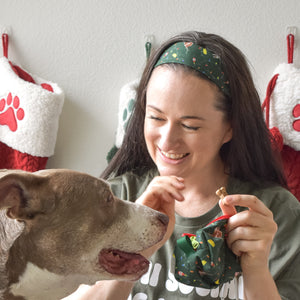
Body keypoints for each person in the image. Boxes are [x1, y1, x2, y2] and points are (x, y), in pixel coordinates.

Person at [72, 31, 300, 300]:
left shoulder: (276, 216)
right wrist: (137, 245)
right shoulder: (111, 200)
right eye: (156, 117)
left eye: (190, 125)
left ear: (230, 128)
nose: (167, 141)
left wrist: (256, 271)